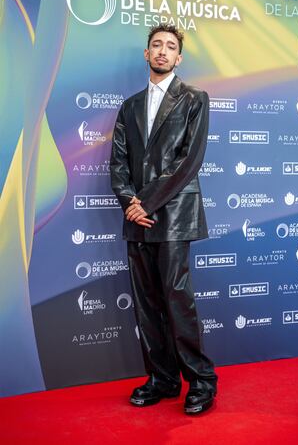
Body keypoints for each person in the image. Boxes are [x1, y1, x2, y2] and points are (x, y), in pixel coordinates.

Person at [110, 24, 217, 415]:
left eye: (170, 47)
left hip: (173, 215)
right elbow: (118, 164)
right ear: (146, 53)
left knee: (176, 299)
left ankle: (201, 381)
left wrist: (146, 201)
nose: (162, 51)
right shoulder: (130, 106)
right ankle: (162, 378)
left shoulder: (194, 99)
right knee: (146, 302)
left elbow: (189, 162)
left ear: (179, 58)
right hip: (137, 215)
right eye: (156, 45)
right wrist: (129, 202)